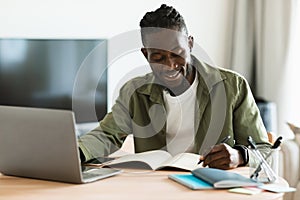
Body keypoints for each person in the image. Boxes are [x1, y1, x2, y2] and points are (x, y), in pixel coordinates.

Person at [78, 4, 270, 169]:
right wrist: (76, 152)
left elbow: (264, 150)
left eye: (177, 53)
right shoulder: (134, 92)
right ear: (146, 55)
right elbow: (107, 135)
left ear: (190, 44)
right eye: (158, 57)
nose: (170, 65)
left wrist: (240, 156)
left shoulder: (233, 86)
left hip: (210, 186)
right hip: (157, 186)